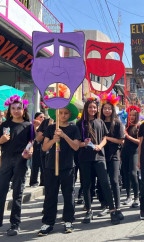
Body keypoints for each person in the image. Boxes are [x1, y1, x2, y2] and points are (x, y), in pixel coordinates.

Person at [38, 100, 81, 236]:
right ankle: (48, 222)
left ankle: (68, 220)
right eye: (60, 113)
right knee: (50, 195)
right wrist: (53, 139)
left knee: (68, 195)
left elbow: (76, 146)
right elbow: (44, 147)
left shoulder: (74, 128)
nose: (62, 115)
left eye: (65, 113)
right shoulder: (51, 128)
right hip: (51, 166)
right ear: (56, 113)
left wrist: (63, 136)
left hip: (67, 166)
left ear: (69, 115)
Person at [76, 97, 120, 225]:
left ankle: (112, 210)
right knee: (87, 185)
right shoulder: (80, 123)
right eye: (90, 107)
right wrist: (85, 144)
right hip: (84, 158)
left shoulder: (100, 122)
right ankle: (89, 210)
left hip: (100, 157)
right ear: (86, 108)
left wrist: (100, 146)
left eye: (94, 107)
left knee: (105, 183)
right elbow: (77, 143)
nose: (92, 109)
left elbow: (105, 137)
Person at [0, 95, 33, 236]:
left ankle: (15, 224)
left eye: (19, 108)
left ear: (23, 109)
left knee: (17, 193)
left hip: (21, 160)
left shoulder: (28, 126)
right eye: (13, 108)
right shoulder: (4, 125)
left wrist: (29, 152)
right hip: (6, 160)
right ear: (9, 109)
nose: (16, 110)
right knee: (1, 191)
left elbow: (32, 143)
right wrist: (1, 140)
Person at [100, 93, 125, 219]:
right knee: (103, 182)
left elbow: (121, 141)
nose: (107, 110)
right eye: (105, 108)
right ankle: (106, 205)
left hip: (114, 156)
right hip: (100, 156)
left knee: (114, 181)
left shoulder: (117, 123)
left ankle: (118, 206)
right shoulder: (98, 122)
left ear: (113, 109)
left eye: (109, 108)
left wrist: (108, 138)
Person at [121, 105, 141, 208]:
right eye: (130, 115)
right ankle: (129, 196)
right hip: (125, 152)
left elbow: (139, 142)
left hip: (135, 152)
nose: (131, 117)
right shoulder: (125, 126)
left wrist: (128, 137)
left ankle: (137, 197)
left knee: (133, 173)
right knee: (126, 174)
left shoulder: (138, 126)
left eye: (134, 115)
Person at [30, 112, 45, 187]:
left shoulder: (44, 126)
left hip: (43, 147)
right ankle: (33, 181)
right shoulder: (32, 126)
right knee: (35, 165)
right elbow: (34, 138)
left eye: (43, 117)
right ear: (36, 118)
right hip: (34, 147)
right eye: (41, 117)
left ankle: (43, 181)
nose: (43, 118)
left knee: (43, 165)